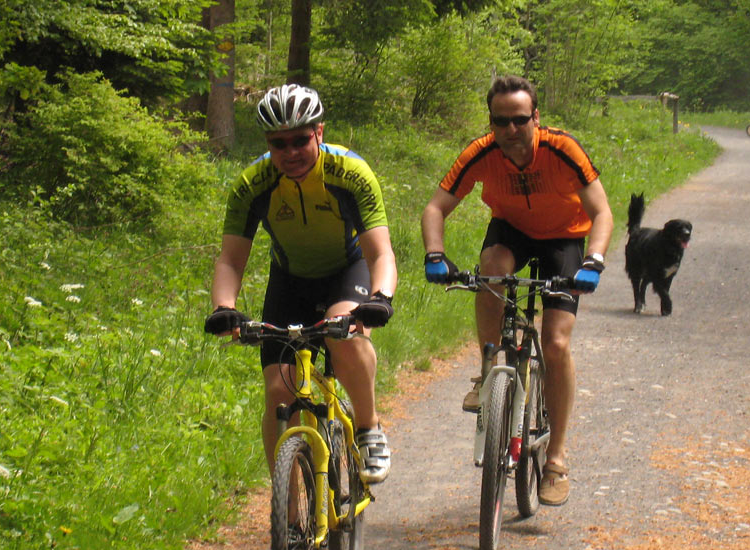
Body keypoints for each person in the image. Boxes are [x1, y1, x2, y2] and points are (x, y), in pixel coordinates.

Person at [420, 75, 613, 506]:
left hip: (564, 237)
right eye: (500, 121)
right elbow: (436, 206)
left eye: (519, 120)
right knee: (491, 269)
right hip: (512, 230)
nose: (509, 130)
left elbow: (601, 212)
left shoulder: (563, 150)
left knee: (556, 342)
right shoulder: (482, 152)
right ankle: (489, 368)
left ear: (536, 118)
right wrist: (435, 254)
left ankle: (557, 459)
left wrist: (593, 262)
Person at [205, 84, 398, 488]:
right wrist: (224, 306)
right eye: (279, 143)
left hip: (348, 269)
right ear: (267, 144)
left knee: (343, 333)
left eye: (300, 140)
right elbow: (230, 259)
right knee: (278, 390)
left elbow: (380, 252)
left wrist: (380, 298)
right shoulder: (253, 184)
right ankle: (289, 518)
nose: (290, 152)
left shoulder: (350, 173)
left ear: (319, 133)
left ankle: (368, 426)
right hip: (290, 280)